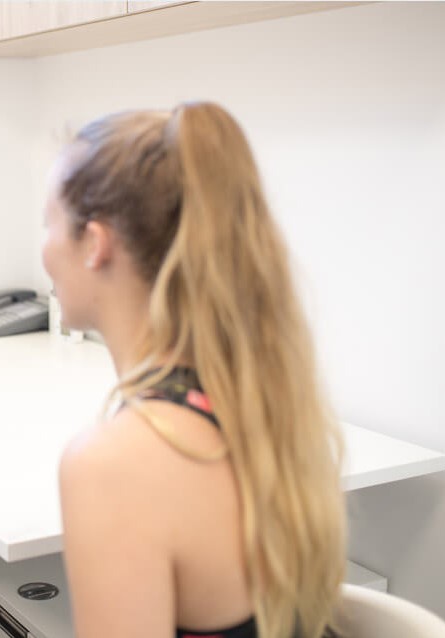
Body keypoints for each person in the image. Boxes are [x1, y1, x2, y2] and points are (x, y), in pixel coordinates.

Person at [42, 104, 346, 638]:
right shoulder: (266, 405)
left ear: (95, 243)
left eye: (49, 225)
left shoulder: (113, 466)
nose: (44, 248)